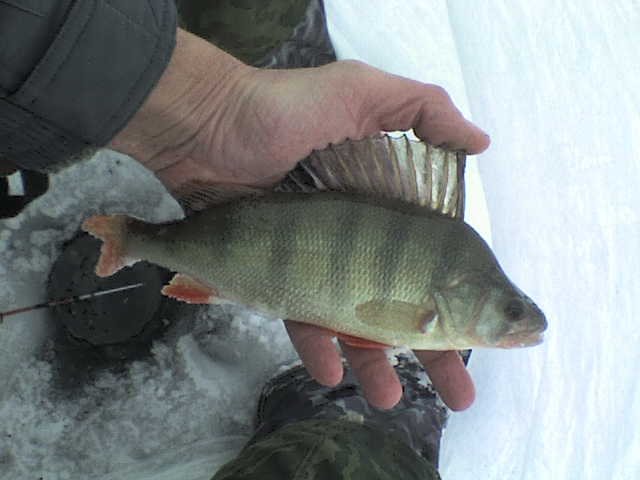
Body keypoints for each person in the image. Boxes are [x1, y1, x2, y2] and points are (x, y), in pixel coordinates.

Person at [0, 1, 490, 478]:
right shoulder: (440, 281)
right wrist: (207, 103)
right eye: (508, 309)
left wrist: (210, 103)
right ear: (463, 292)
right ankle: (327, 448)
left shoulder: (447, 265)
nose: (515, 322)